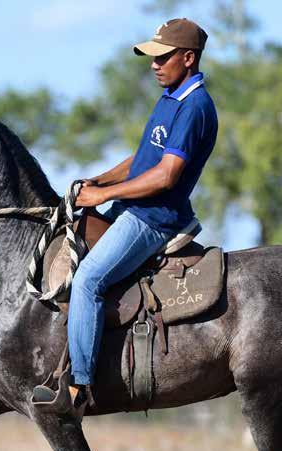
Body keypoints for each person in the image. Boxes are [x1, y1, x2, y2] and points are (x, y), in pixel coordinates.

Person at [34, 17, 218, 418]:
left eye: (162, 57)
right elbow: (141, 160)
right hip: (132, 207)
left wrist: (103, 195)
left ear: (188, 58)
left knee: (87, 281)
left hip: (154, 219)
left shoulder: (195, 106)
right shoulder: (170, 95)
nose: (154, 64)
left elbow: (166, 174)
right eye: (151, 57)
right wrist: (96, 180)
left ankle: (79, 386)